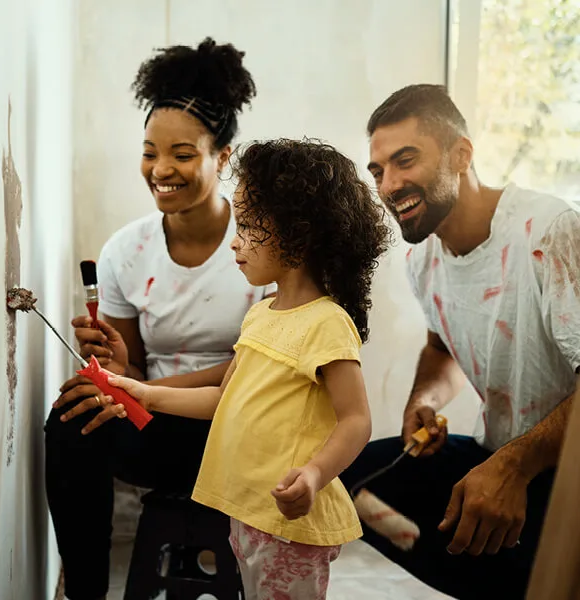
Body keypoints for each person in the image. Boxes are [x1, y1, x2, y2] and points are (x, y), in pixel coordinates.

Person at [107, 138, 392, 599]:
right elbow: (225, 397)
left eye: (248, 226)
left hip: (289, 517)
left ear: (297, 232)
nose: (234, 242)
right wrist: (145, 394)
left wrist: (316, 473)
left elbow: (356, 420)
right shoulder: (262, 315)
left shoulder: (326, 322)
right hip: (247, 510)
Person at [44, 38, 275, 600]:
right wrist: (119, 372)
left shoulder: (264, 245)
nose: (161, 170)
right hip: (161, 429)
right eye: (150, 152)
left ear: (222, 157)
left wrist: (142, 391)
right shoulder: (127, 251)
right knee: (72, 418)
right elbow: (135, 371)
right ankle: (86, 593)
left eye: (183, 154)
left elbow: (261, 373)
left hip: (244, 432)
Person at [340, 84, 580, 600]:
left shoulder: (549, 232)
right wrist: (423, 401)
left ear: (461, 154)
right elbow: (442, 348)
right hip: (501, 454)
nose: (389, 185)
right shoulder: (422, 259)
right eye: (378, 171)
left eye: (405, 160)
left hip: (567, 476)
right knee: (350, 479)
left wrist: (514, 466)